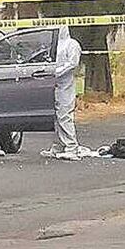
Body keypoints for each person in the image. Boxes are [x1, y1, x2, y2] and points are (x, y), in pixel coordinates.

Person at [43, 27, 82, 161]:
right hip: (51, 84)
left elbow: (73, 63)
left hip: (65, 85)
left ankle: (71, 147)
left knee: (64, 116)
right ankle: (58, 146)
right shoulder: (53, 44)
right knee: (56, 117)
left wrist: (57, 72)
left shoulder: (72, 44)